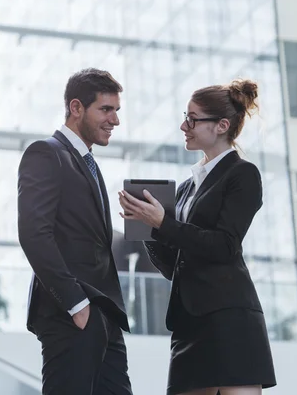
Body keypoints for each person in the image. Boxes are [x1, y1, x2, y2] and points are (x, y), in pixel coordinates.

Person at [118, 79, 276, 395]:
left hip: (229, 318)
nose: (183, 125)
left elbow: (224, 246)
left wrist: (164, 223)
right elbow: (173, 266)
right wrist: (148, 228)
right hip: (189, 322)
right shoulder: (188, 187)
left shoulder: (242, 174)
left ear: (222, 125)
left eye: (192, 119)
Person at [18, 68, 133, 395]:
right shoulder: (46, 153)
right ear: (76, 108)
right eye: (106, 109)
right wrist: (76, 304)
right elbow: (33, 234)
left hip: (104, 314)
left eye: (117, 111)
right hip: (72, 312)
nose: (115, 120)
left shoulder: (88, 164)